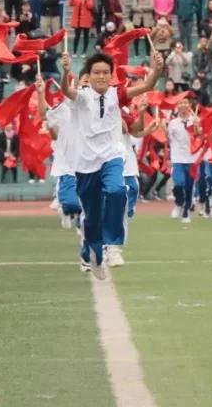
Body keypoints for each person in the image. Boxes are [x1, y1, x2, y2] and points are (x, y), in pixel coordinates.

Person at [58, 49, 162, 280]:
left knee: (117, 190)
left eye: (106, 72)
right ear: (89, 75)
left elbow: (147, 86)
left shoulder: (118, 94)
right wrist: (65, 72)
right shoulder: (82, 96)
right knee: (92, 217)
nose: (101, 76)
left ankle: (112, 243)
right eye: (96, 72)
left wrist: (157, 69)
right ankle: (91, 253)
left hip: (112, 157)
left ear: (111, 75)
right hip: (85, 164)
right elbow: (66, 90)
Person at [42, 75, 83, 230]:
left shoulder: (90, 107)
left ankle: (81, 225)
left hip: (88, 163)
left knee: (89, 202)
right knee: (72, 202)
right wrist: (40, 93)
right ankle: (66, 209)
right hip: (67, 165)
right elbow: (43, 114)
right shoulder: (63, 109)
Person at [167, 97, 201, 224]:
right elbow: (168, 139)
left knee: (189, 186)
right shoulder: (173, 122)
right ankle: (178, 203)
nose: (182, 105)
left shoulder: (196, 120)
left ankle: (186, 212)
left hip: (192, 158)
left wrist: (197, 126)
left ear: (190, 105)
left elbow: (199, 135)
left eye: (185, 102)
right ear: (177, 106)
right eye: (180, 103)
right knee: (179, 183)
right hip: (178, 158)